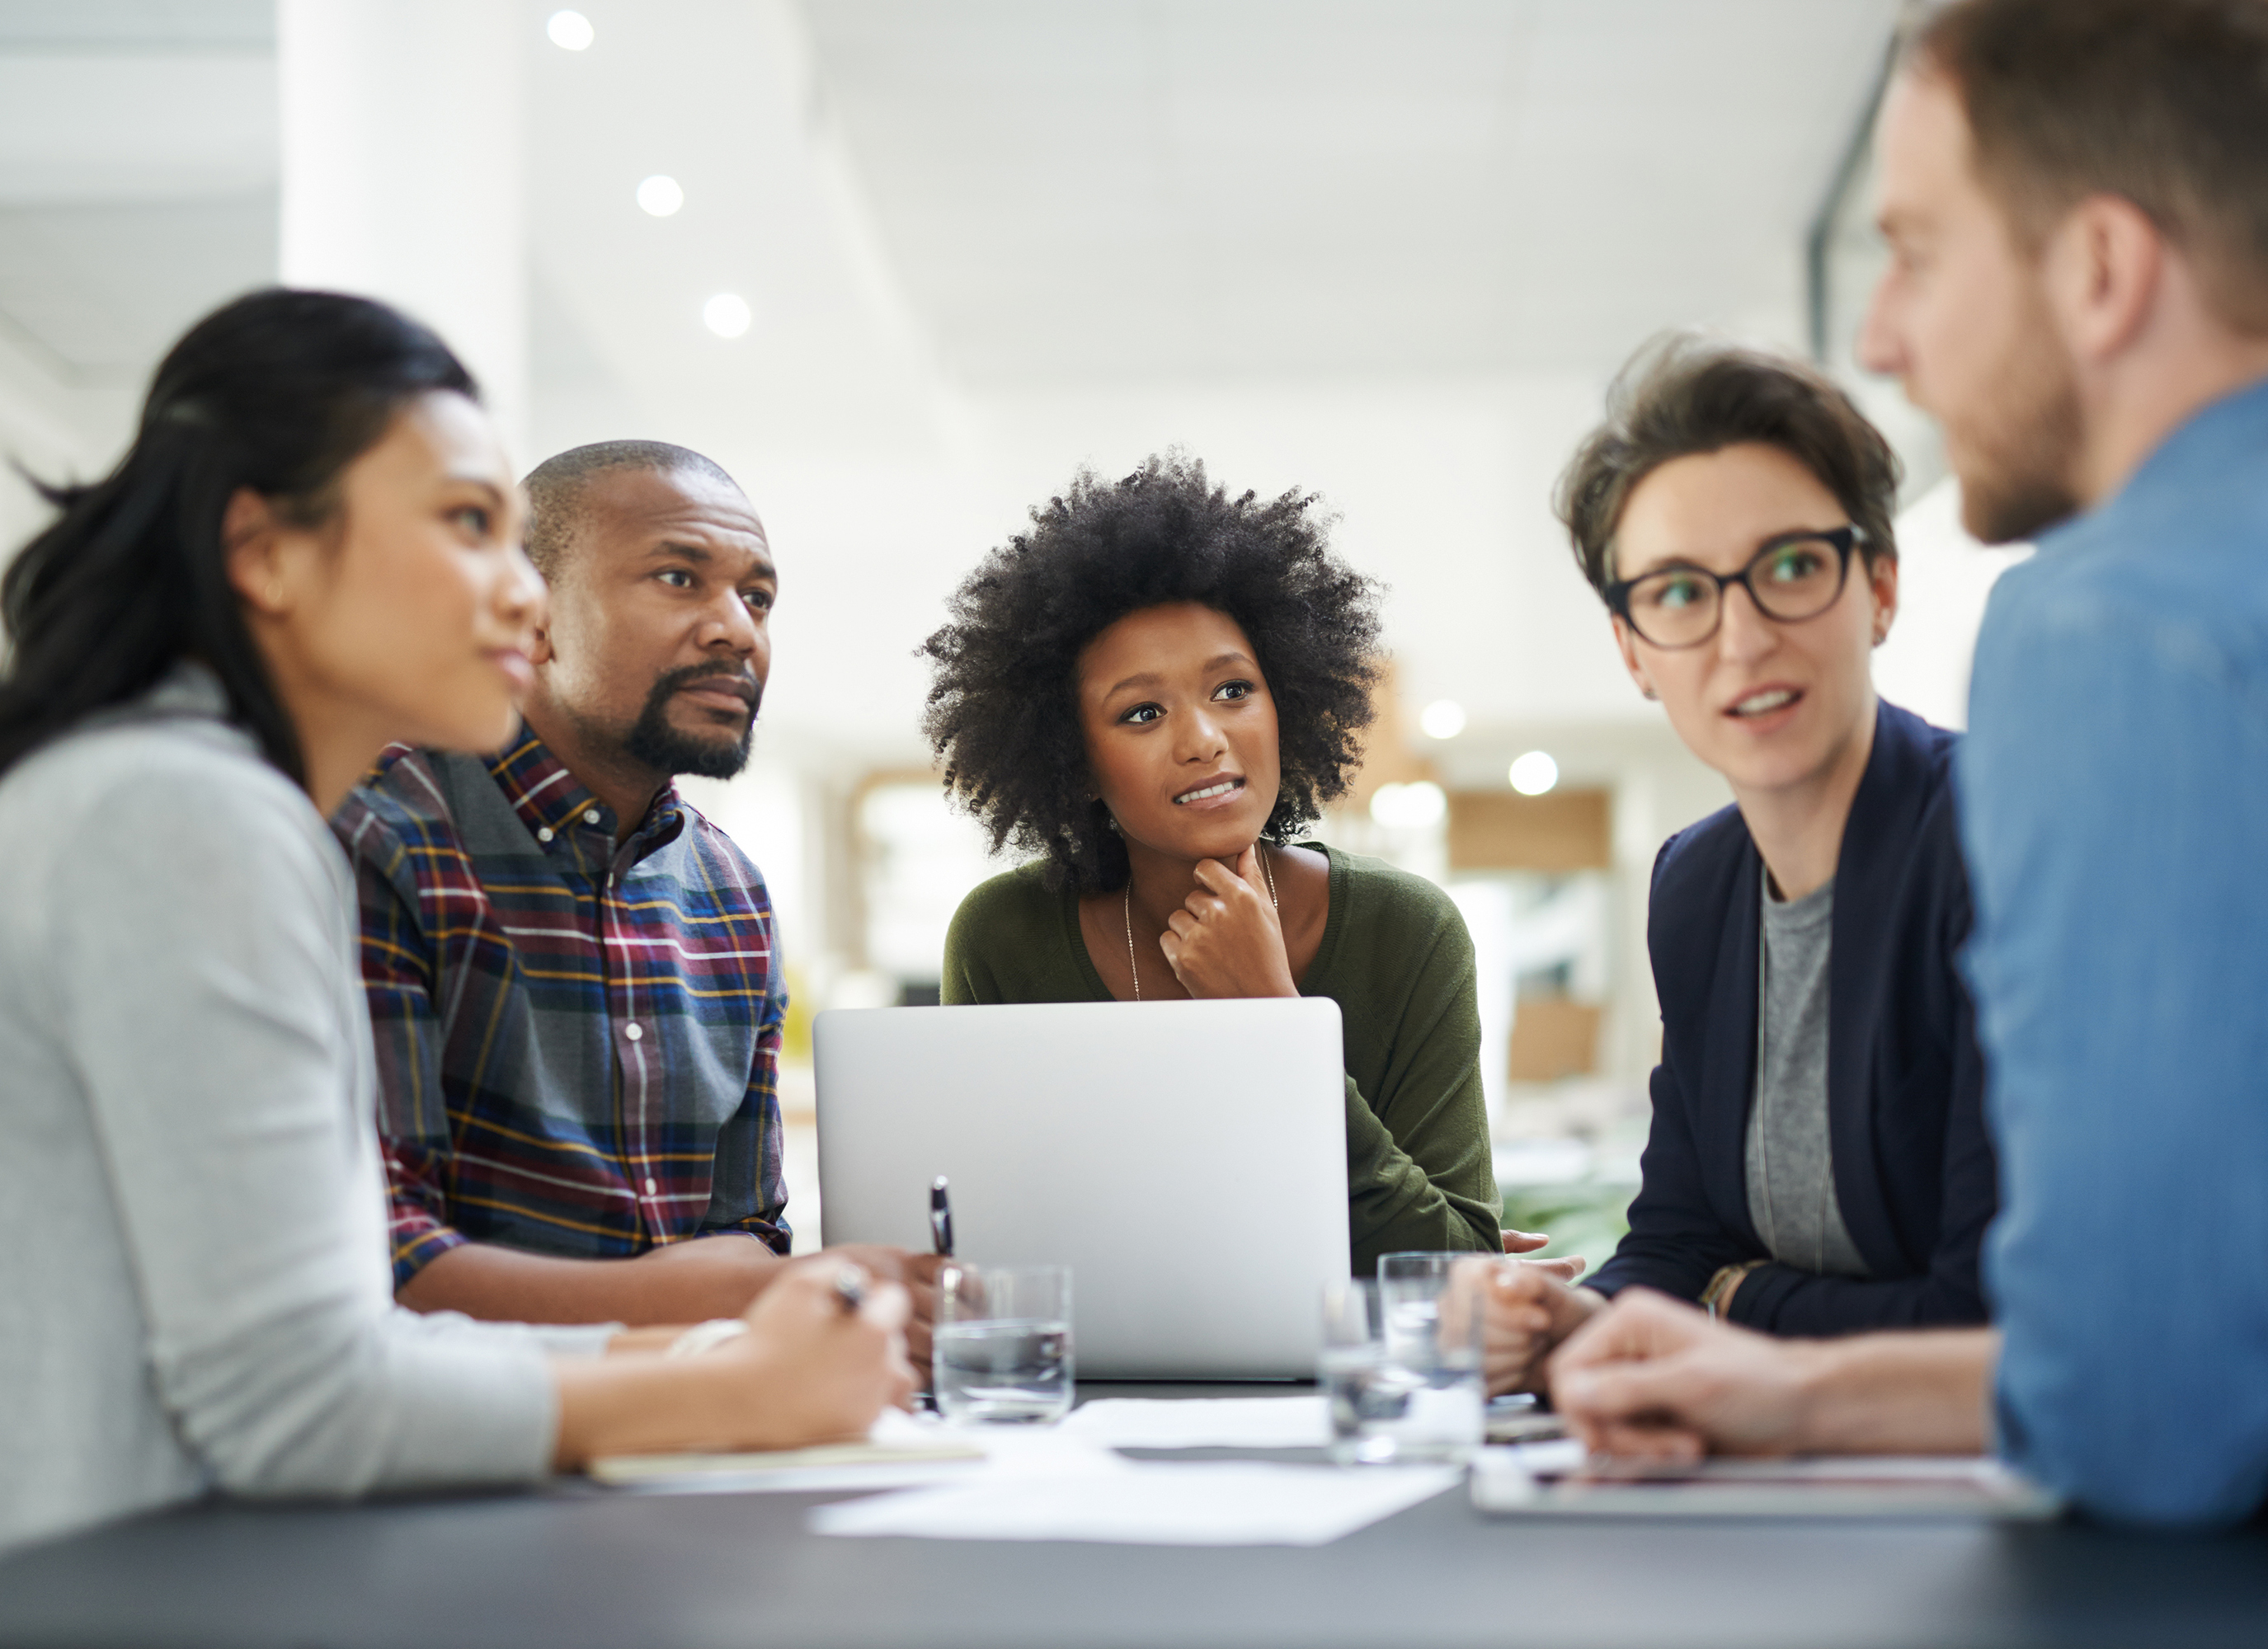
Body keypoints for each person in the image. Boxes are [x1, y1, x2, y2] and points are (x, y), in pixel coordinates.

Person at [0, 289, 913, 1555]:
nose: (517, 597)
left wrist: (728, 1344)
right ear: (263, 551)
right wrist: (728, 1389)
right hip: (112, 1582)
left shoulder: (182, 798)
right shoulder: (186, 816)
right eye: (470, 527)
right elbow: (298, 1401)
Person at [1548, 0, 2268, 1529]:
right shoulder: (1698, 886)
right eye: (1678, 593)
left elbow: (2149, 1403)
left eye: (1920, 252)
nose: (1884, 335)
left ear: (2100, 269)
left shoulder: (2117, 628)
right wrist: (1740, 1351)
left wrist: (1757, 1336)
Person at [1467, 341, 1997, 1394]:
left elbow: (1982, 1308)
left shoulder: (1994, 834)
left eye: (1791, 567)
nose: (1741, 638)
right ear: (1632, 651)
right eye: (1677, 593)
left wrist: (1734, 1298)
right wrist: (1573, 1317)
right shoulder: (1695, 886)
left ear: (1878, 587)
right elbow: (1676, 1233)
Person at [332, 441, 936, 1346]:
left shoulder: (731, 894)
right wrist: (716, 1299)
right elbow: (375, 1261)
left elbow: (745, 1238)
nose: (736, 627)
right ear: (530, 617)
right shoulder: (383, 832)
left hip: (699, 1410)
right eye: (677, 577)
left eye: (757, 596)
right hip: (469, 1431)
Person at [922, 454, 1550, 1275]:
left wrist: (1277, 1019)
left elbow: (1451, 1266)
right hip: (1087, 1391)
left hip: (1339, 1390)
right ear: (1074, 759)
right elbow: (979, 1248)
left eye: (1231, 690)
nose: (1203, 739)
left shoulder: (1409, 931)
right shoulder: (1001, 937)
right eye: (1142, 711)